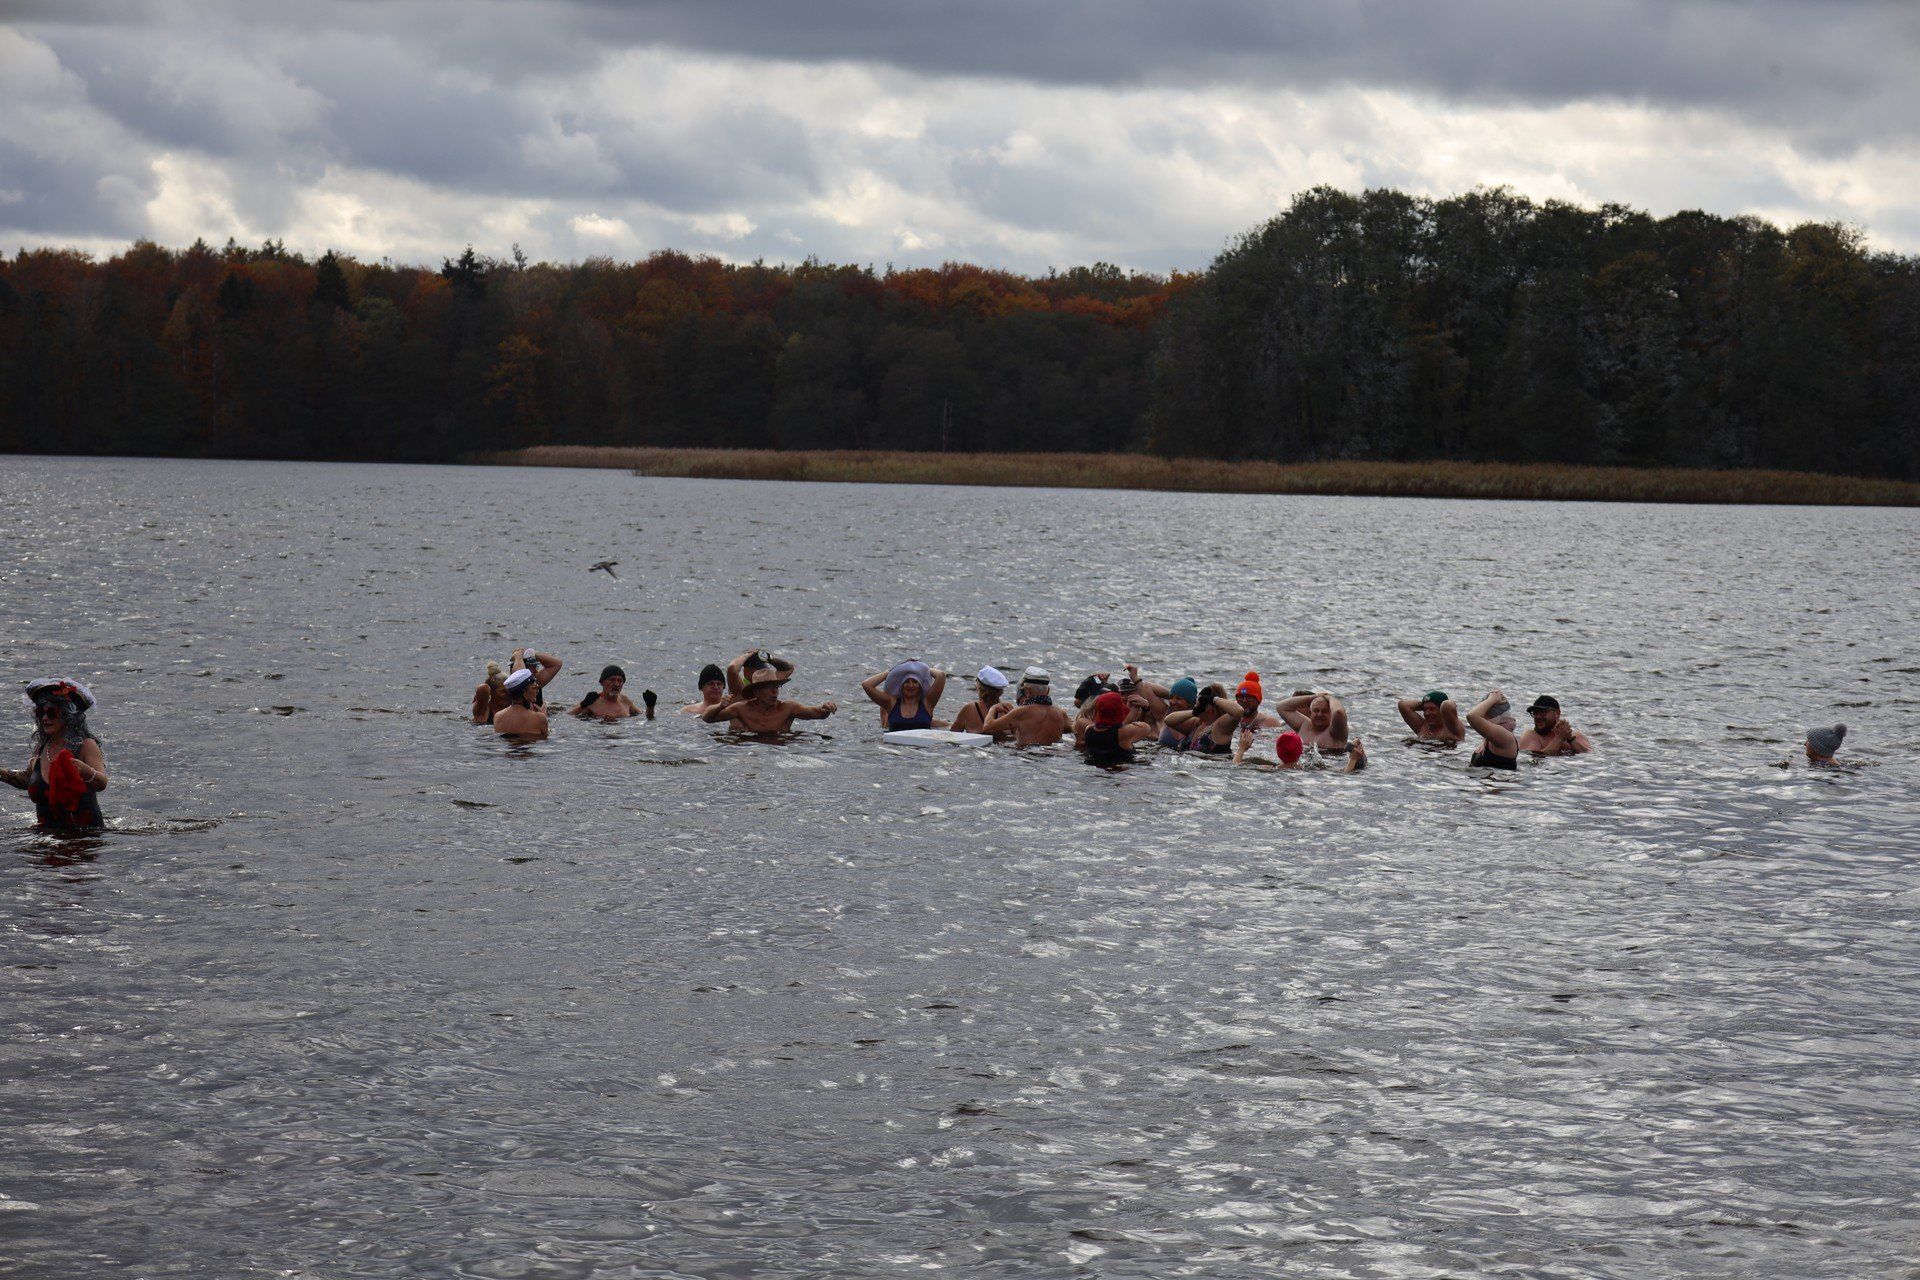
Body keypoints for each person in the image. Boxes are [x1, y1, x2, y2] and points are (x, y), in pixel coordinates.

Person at [4, 679, 108, 830]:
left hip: (85, 840)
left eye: (51, 712)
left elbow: (102, 782)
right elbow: (28, 779)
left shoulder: (85, 746)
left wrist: (85, 770)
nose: (45, 718)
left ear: (68, 715)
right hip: (47, 839)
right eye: (41, 712)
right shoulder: (41, 748)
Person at [702, 667, 838, 734]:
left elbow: (817, 713)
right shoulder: (741, 709)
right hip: (752, 753)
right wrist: (720, 706)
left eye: (776, 687)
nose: (775, 692)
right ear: (756, 692)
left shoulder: (787, 708)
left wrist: (826, 707)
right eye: (769, 688)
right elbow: (707, 718)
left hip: (781, 751)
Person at [979, 669, 1072, 747]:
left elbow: (987, 727)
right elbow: (1075, 729)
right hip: (1053, 756)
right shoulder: (1060, 714)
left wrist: (993, 708)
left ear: (1027, 691)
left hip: (1027, 757)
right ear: (1048, 691)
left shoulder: (1021, 712)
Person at [862, 660, 949, 731]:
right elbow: (867, 685)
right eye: (906, 682)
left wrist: (923, 668)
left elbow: (941, 676)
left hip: (922, 750)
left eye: (915, 682)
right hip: (894, 749)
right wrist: (892, 671)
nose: (910, 685)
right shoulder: (891, 703)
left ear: (920, 686)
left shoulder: (928, 703)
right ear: (901, 685)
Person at [1075, 690, 1157, 764]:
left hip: (1097, 769)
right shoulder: (1122, 734)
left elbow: (1109, 729)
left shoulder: (1088, 729)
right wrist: (1139, 711)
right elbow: (1146, 728)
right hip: (1121, 772)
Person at [1162, 681, 1243, 754]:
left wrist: (1213, 699)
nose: (1196, 705)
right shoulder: (1197, 723)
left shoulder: (1220, 725)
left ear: (1212, 707)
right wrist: (1195, 712)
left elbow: (1238, 711)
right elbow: (1169, 720)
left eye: (1200, 704)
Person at [1277, 688, 1350, 754]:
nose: (1320, 714)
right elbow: (1281, 707)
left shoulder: (1336, 732)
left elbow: (1338, 712)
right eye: (1316, 710)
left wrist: (1330, 698)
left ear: (1331, 714)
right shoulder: (1304, 725)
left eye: (1325, 711)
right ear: (1310, 713)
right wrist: (1314, 698)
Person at [1463, 690, 1520, 770]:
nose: (1482, 718)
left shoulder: (1505, 737)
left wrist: (1491, 699)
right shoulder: (1490, 737)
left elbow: (1472, 716)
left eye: (1483, 714)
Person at [572, 665, 652, 720]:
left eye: (620, 680)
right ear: (602, 682)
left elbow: (647, 716)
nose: (616, 684)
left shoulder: (625, 700)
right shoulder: (592, 701)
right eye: (612, 679)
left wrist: (650, 706)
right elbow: (569, 715)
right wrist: (583, 705)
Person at [1518, 695, 1591, 755]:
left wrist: (1571, 739)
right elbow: (1536, 759)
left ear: (1557, 713)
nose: (1538, 717)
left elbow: (1588, 756)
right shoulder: (1531, 736)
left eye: (1543, 712)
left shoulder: (1576, 735)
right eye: (1535, 713)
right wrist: (1559, 738)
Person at [947, 667, 1010, 733]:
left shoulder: (969, 710)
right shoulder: (1008, 709)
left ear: (979, 688)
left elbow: (952, 734)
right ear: (1001, 691)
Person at [493, 668, 549, 738]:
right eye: (534, 687)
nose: (537, 691)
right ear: (524, 692)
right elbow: (545, 741)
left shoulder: (497, 716)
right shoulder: (539, 718)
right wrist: (544, 717)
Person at [1397, 690, 1465, 742]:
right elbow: (1403, 705)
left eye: (1432, 709)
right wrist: (1425, 702)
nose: (1427, 713)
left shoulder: (1453, 728)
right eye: (1425, 709)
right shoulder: (1422, 727)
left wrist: (1439, 703)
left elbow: (1447, 705)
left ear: (1441, 710)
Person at [727, 649, 794, 698]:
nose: (763, 673)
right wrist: (748, 654)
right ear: (746, 672)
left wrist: (768, 658)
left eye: (765, 670)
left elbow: (789, 668)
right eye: (759, 671)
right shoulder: (739, 688)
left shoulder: (768, 679)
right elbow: (732, 669)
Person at [471, 661, 508, 725]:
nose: (507, 693)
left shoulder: (511, 704)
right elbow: (483, 688)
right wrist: (491, 678)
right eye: (503, 691)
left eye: (509, 690)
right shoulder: (482, 709)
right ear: (492, 692)